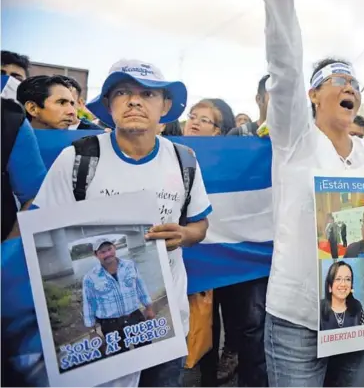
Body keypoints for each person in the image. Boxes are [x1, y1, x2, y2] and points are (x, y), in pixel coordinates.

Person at [253, 0, 364, 386]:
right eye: (338, 79)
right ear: (313, 94)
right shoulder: (295, 137)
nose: (350, 86)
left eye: (356, 82)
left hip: (356, 316)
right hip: (298, 318)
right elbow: (285, 68)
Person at [32, 59, 212, 386]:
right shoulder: (78, 159)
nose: (134, 101)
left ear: (165, 106)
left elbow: (201, 226)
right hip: (106, 344)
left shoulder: (184, 160)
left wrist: (184, 234)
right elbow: (40, 233)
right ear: (109, 104)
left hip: (166, 330)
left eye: (147, 93)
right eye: (123, 92)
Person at [83, 238, 155, 357]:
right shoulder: (90, 277)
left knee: (146, 352)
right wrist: (92, 331)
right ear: (96, 254)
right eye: (102, 252)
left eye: (109, 249)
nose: (107, 254)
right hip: (110, 325)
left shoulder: (130, 265)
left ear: (114, 248)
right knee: (121, 358)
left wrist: (149, 308)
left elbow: (140, 287)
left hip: (135, 317)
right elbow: (89, 304)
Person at [1, 74, 46, 242]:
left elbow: (34, 197)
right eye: (62, 102)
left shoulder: (9, 119)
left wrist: (7, 253)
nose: (70, 110)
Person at [319, 261, 364, 331]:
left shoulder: (357, 306)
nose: (343, 284)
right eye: (338, 279)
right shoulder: (319, 308)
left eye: (348, 279)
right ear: (330, 286)